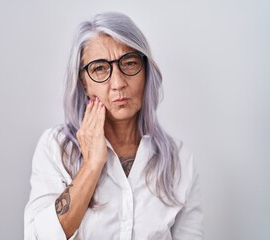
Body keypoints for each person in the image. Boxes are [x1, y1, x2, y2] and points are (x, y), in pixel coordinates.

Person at [24, 11, 203, 240]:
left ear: (146, 71)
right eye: (100, 69)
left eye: (129, 64)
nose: (118, 84)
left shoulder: (179, 160)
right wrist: (91, 166)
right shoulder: (56, 148)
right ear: (84, 83)